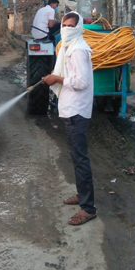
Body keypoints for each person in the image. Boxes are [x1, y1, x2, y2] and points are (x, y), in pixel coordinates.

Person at [42, 12, 96, 226]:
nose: (66, 29)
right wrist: (56, 76)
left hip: (77, 111)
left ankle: (88, 208)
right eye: (63, 25)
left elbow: (81, 82)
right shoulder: (69, 47)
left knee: (80, 159)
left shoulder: (78, 50)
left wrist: (57, 78)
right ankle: (82, 195)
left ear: (79, 28)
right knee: (76, 156)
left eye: (71, 26)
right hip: (70, 109)